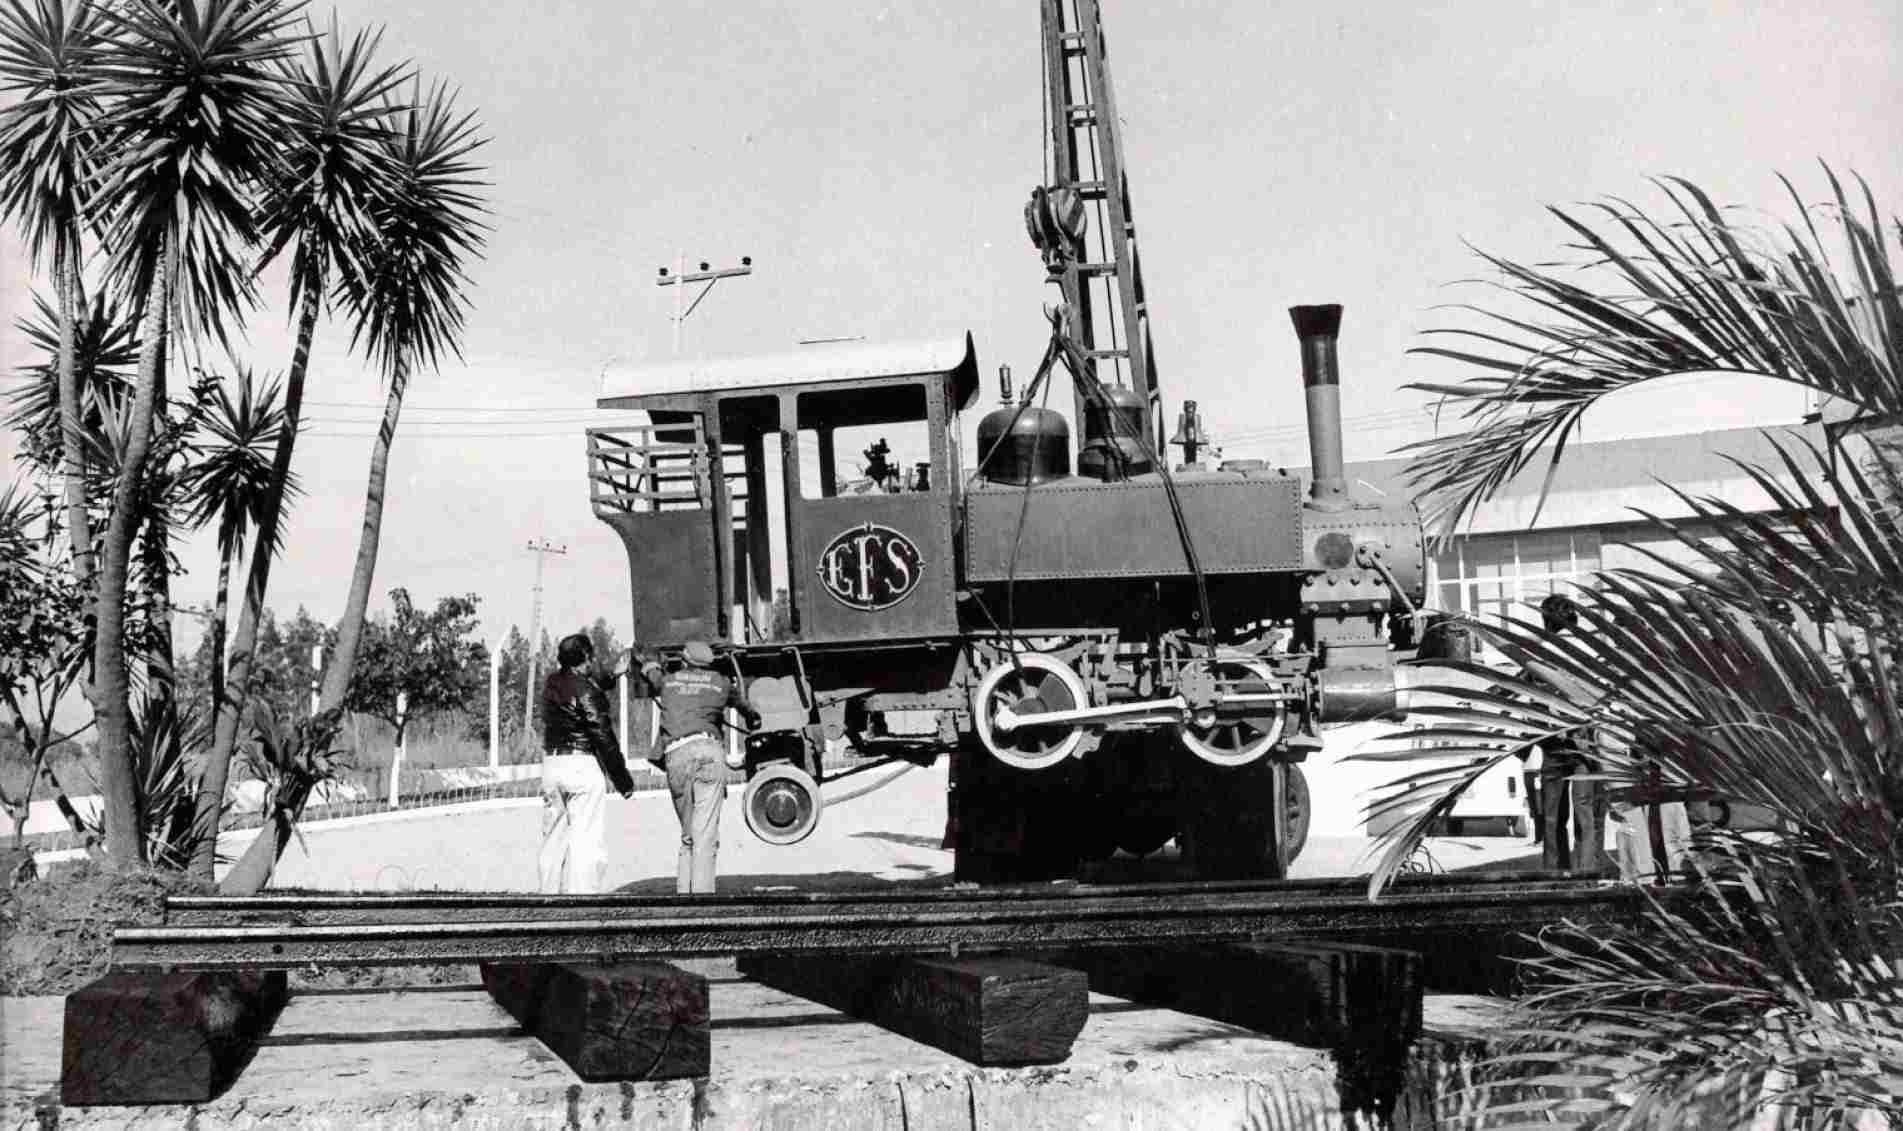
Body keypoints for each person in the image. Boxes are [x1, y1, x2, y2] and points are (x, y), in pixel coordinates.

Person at [634, 640, 761, 894]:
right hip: (709, 753)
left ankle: (684, 898)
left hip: (677, 755)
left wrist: (647, 663)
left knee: (688, 834)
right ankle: (703, 902)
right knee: (705, 835)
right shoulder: (721, 683)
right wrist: (754, 718)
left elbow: (653, 675)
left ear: (684, 661)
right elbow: (747, 709)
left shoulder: (669, 681)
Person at [539, 632, 635, 893]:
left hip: (552, 764)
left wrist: (612, 675)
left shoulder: (551, 684)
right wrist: (623, 781)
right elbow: (603, 737)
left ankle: (547, 899)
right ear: (585, 658)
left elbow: (580, 687)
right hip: (581, 766)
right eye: (591, 658)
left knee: (553, 839)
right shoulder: (587, 691)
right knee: (586, 841)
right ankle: (582, 902)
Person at [1521, 594, 1610, 874]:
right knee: (1581, 813)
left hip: (1560, 742)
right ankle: (1584, 872)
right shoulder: (1584, 650)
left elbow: (1530, 693)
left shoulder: (1541, 652)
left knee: (1554, 817)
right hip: (1577, 743)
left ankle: (1558, 873)